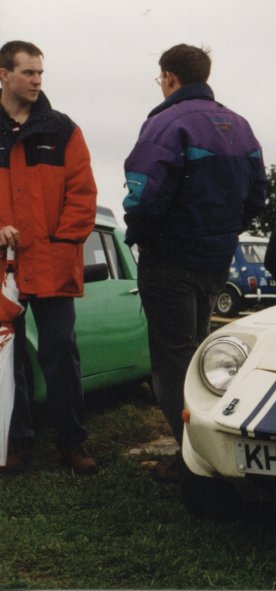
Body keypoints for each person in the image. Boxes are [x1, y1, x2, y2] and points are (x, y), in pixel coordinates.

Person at [123, 44, 266, 478]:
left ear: (169, 77)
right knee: (203, 358)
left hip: (169, 261)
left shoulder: (166, 123)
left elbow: (143, 195)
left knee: (172, 364)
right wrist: (221, 234)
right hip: (214, 262)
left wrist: (141, 235)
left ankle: (193, 459)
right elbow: (256, 197)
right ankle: (208, 448)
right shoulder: (240, 127)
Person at [0, 41, 98, 474]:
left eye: (41, 73)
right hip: (3, 266)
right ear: (3, 74)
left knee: (60, 351)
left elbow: (83, 193)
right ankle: (16, 442)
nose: (37, 81)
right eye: (28, 73)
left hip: (52, 261)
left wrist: (61, 241)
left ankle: (71, 443)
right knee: (8, 356)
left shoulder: (63, 130)